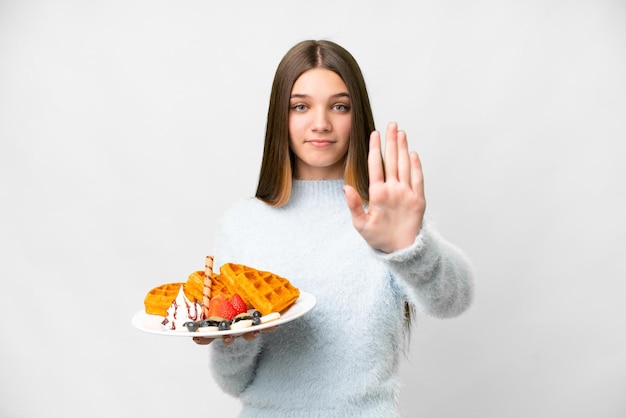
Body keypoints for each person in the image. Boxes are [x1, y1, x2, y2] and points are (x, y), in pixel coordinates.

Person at [193, 39, 474, 417]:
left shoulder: (385, 218)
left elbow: (453, 301)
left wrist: (409, 250)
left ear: (356, 116)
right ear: (281, 116)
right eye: (301, 106)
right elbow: (233, 382)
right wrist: (236, 340)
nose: (321, 123)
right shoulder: (243, 225)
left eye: (339, 106)